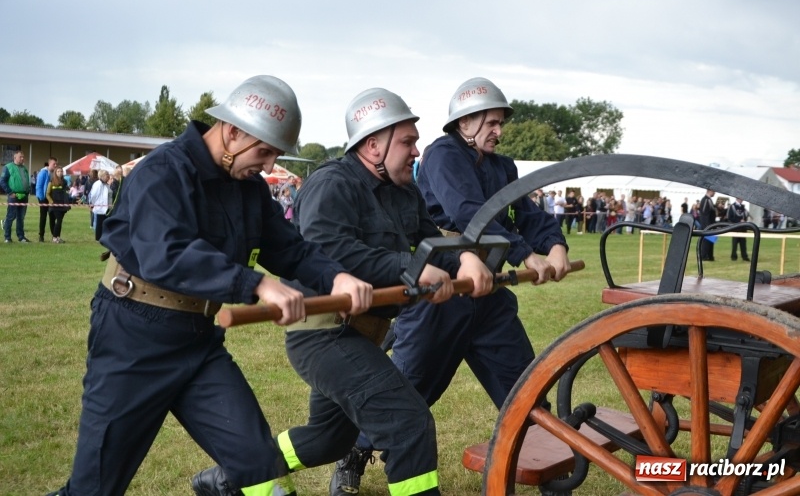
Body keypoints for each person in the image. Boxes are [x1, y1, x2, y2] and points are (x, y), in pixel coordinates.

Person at [46, 75, 373, 496]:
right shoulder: (163, 171)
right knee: (95, 488)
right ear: (233, 131)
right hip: (133, 340)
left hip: (200, 344)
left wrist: (337, 276)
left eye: (275, 154)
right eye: (265, 151)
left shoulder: (249, 188)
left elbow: (291, 249)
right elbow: (166, 254)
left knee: (260, 465)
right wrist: (256, 285)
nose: (271, 166)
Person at [192, 88, 492, 496]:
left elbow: (430, 243)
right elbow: (329, 252)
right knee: (407, 422)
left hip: (365, 332)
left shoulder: (405, 190)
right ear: (373, 145)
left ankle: (229, 479)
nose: (417, 151)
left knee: (328, 440)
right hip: (323, 333)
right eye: (407, 141)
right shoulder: (330, 184)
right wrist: (416, 270)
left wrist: (465, 259)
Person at [329, 77, 570, 496]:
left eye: (500, 123)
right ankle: (354, 450)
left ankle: (548, 467)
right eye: (491, 122)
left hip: (489, 294)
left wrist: (555, 244)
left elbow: (525, 211)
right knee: (407, 386)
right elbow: (468, 212)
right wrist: (524, 252)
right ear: (467, 121)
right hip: (442, 293)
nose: (498, 130)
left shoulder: (503, 166)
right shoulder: (442, 155)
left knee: (522, 382)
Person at [0, 150, 32, 243]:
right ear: (15, 158)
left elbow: (26, 180)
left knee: (21, 217)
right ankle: (7, 237)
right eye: (20, 157)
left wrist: (28, 190)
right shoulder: (8, 167)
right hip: (14, 196)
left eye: (23, 157)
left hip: (24, 196)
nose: (22, 158)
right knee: (11, 216)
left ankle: (21, 236)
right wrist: (10, 192)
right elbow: (2, 181)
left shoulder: (24, 168)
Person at [46, 166, 71, 243]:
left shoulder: (65, 182)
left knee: (60, 221)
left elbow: (66, 192)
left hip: (62, 204)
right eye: (58, 171)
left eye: (61, 171)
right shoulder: (51, 182)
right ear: (55, 173)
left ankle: (57, 237)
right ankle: (54, 237)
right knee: (54, 221)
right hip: (54, 205)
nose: (60, 173)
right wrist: (51, 202)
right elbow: (47, 194)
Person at [36, 157, 58, 242]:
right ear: (49, 164)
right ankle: (41, 236)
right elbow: (39, 186)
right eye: (54, 164)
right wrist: (42, 198)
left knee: (52, 217)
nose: (55, 166)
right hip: (43, 198)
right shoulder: (43, 173)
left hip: (51, 198)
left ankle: (54, 236)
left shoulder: (54, 173)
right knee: (43, 217)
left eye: (56, 164)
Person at [87, 169, 112, 241]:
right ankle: (98, 238)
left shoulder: (107, 185)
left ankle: (104, 237)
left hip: (107, 207)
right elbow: (93, 195)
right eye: (107, 175)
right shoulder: (98, 184)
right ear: (102, 176)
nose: (108, 177)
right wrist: (93, 204)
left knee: (105, 223)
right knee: (99, 223)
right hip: (100, 207)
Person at [699, 189, 717, 261]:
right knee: (706, 241)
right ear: (710, 191)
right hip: (707, 224)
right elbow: (704, 213)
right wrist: (707, 225)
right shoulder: (705, 200)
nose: (715, 193)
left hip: (711, 224)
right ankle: (704, 255)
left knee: (711, 240)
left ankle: (710, 256)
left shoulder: (709, 200)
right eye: (714, 191)